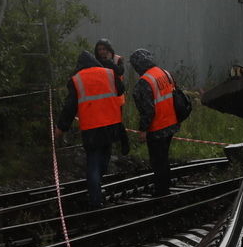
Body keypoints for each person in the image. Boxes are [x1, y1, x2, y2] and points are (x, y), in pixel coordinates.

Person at [56, 50, 126, 208]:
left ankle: (95, 200)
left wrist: (61, 128)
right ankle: (97, 190)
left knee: (93, 162)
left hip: (92, 128)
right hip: (111, 124)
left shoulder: (76, 80)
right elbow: (121, 90)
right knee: (104, 159)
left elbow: (70, 107)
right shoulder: (109, 73)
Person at [129, 48, 180, 197]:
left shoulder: (144, 81)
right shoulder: (165, 73)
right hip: (171, 124)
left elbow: (147, 110)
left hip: (157, 128)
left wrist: (143, 130)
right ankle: (165, 188)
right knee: (164, 159)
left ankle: (161, 191)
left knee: (158, 161)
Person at [93, 37, 131, 154]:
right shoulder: (94, 61)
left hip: (116, 96)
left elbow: (120, 71)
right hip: (102, 96)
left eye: (104, 49)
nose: (102, 52)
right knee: (104, 121)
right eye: (100, 49)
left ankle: (124, 143)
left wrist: (109, 62)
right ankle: (108, 145)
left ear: (109, 49)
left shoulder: (117, 59)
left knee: (117, 121)